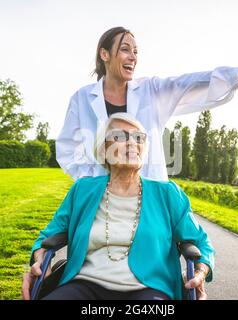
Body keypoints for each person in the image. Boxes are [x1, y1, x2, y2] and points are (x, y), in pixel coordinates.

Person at [22, 113, 215, 300]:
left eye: (139, 137)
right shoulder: (82, 190)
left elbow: (201, 243)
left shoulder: (168, 194)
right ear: (103, 149)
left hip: (149, 289)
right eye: (120, 136)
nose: (132, 142)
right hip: (84, 284)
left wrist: (199, 273)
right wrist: (40, 260)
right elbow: (46, 237)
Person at [56, 26, 238, 181]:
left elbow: (186, 83)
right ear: (104, 54)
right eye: (125, 49)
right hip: (103, 200)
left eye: (135, 51)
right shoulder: (82, 98)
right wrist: (93, 179)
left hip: (149, 195)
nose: (133, 57)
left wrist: (237, 74)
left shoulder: (150, 91)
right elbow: (67, 149)